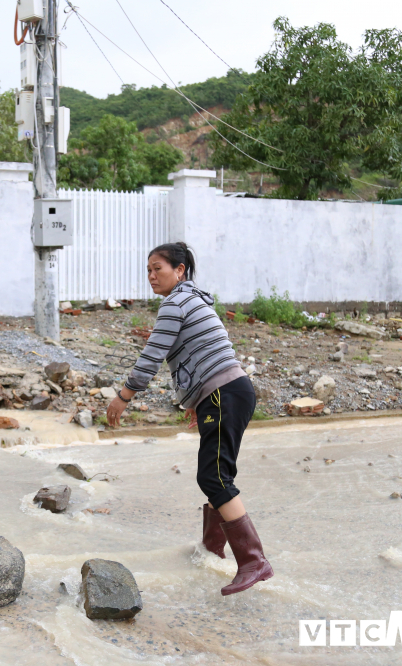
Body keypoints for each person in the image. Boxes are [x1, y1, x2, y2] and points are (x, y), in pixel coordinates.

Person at [105, 242, 272, 596]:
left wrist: (123, 397)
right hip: (231, 391)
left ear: (180, 271)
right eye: (148, 270)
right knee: (218, 473)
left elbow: (152, 356)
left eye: (158, 268)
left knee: (212, 476)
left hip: (223, 394)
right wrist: (197, 400)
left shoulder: (174, 303)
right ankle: (211, 549)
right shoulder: (193, 300)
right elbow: (205, 350)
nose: (151, 276)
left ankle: (254, 561)